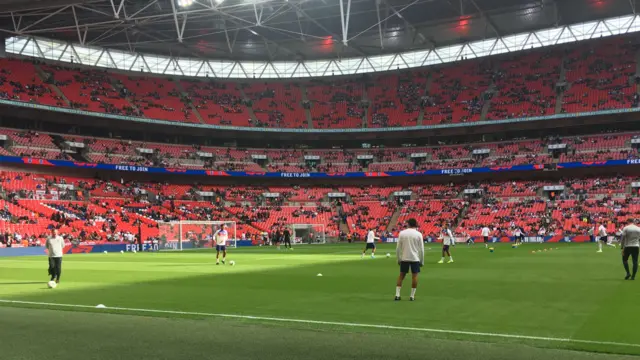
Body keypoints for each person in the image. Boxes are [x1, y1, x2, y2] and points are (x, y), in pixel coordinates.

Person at [395, 218, 424, 301]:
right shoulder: (418, 234)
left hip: (404, 257)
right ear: (416, 224)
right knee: (414, 276)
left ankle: (397, 295)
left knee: (401, 276)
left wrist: (398, 259)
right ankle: (412, 296)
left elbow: (398, 248)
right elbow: (421, 249)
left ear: (408, 224)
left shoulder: (402, 233)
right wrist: (422, 261)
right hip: (415, 258)